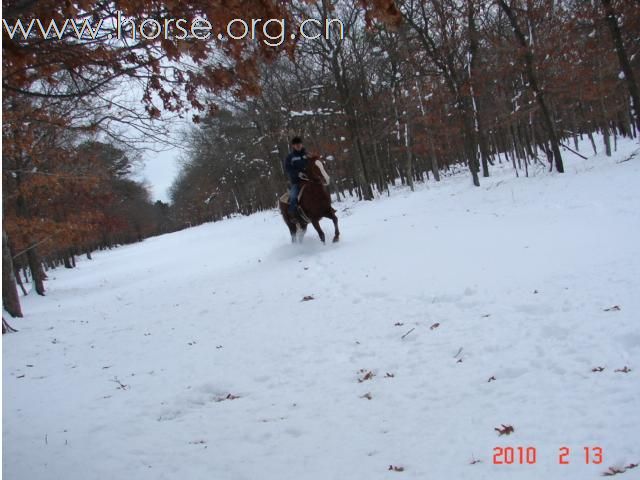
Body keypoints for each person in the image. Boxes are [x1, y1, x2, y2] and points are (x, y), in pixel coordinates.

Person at [283, 136, 309, 223]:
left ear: (302, 144)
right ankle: (292, 215)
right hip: (297, 182)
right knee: (293, 197)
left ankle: (328, 208)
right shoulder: (290, 157)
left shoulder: (307, 154)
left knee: (321, 189)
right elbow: (288, 168)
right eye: (296, 144)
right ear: (293, 146)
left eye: (299, 144)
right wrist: (298, 173)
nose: (298, 145)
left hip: (309, 180)